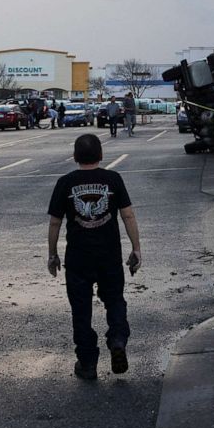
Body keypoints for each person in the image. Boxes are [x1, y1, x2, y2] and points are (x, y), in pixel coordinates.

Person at [47, 134, 141, 380]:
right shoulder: (113, 179)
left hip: (78, 257)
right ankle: (118, 339)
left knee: (81, 310)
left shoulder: (65, 183)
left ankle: (87, 363)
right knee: (115, 301)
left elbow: (55, 222)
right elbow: (128, 216)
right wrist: (136, 248)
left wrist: (52, 254)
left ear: (75, 156)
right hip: (109, 254)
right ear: (101, 155)